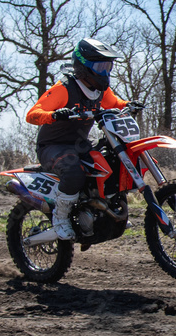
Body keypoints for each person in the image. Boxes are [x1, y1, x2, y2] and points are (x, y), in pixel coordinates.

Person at [26, 37, 128, 240]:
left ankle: (103, 214)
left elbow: (115, 103)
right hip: (52, 147)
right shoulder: (64, 88)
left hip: (79, 145)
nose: (105, 72)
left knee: (109, 165)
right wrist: (54, 115)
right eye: (101, 66)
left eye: (108, 66)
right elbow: (33, 113)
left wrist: (129, 105)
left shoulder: (100, 90)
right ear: (84, 66)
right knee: (74, 172)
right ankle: (60, 219)